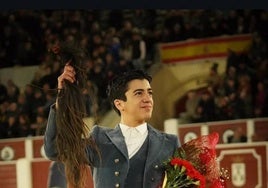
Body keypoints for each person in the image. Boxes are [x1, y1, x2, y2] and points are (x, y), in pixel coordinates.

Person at [44, 66, 180, 188]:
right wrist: (62, 99)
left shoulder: (169, 143)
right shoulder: (100, 138)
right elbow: (54, 149)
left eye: (149, 93)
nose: (147, 99)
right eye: (139, 93)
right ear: (119, 104)